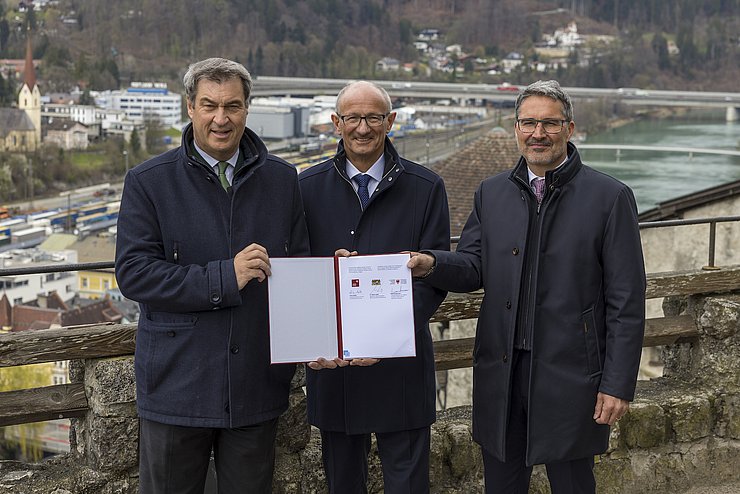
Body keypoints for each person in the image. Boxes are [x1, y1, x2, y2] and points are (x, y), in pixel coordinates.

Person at [408, 80, 646, 494]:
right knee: (501, 484)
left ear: (570, 129)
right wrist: (431, 264)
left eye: (550, 124)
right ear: (516, 127)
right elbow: (473, 266)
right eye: (529, 123)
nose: (538, 134)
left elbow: (627, 300)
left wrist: (617, 383)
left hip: (571, 373)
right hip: (502, 369)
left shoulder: (610, 197)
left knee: (572, 482)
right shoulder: (492, 192)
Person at [115, 57, 310, 493]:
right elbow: (134, 275)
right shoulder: (149, 181)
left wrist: (321, 327)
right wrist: (226, 276)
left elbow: (298, 270)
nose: (221, 118)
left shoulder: (281, 179)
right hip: (176, 389)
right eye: (209, 105)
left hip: (255, 389)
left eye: (233, 106)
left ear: (247, 109)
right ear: (190, 107)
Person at [298, 80, 450, 493]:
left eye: (373, 117)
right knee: (343, 486)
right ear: (336, 123)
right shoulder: (305, 188)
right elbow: (297, 273)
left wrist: (382, 336)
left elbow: (434, 278)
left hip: (400, 368)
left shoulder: (426, 187)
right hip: (335, 372)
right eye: (352, 118)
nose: (362, 128)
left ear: (391, 122)